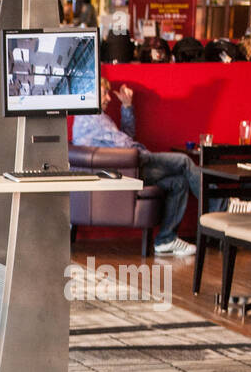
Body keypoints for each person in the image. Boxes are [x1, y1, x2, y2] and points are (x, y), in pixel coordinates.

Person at [72, 77, 201, 256]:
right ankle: (222, 205)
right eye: (104, 94)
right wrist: (147, 155)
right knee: (184, 162)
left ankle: (166, 239)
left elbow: (125, 137)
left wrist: (127, 107)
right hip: (122, 174)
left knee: (178, 182)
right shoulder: (95, 117)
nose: (109, 98)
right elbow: (126, 146)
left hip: (119, 171)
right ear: (90, 95)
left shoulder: (87, 117)